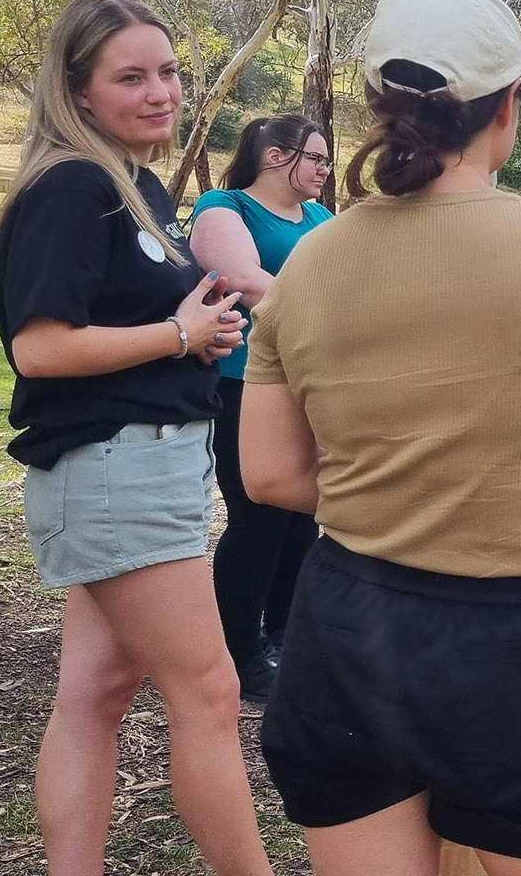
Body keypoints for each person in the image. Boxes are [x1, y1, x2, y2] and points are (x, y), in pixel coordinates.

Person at [239, 0, 521, 873]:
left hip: (347, 626)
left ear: (374, 109)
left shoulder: (310, 261)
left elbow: (270, 476)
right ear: (507, 105)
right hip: (518, 639)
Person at [0, 0, 271, 876]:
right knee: (210, 691)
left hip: (141, 466)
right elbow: (38, 346)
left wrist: (194, 330)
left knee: (96, 693)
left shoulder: (131, 184)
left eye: (169, 72)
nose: (160, 92)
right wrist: (178, 336)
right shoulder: (72, 187)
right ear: (77, 92)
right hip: (114, 468)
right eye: (131, 77)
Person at [189, 114, 334, 701]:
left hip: (309, 382)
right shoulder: (225, 207)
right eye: (317, 158)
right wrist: (338, 316)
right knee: (258, 515)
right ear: (277, 156)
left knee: (304, 512)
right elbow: (245, 279)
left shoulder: (322, 219)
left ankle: (285, 637)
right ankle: (241, 651)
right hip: (241, 381)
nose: (326, 170)